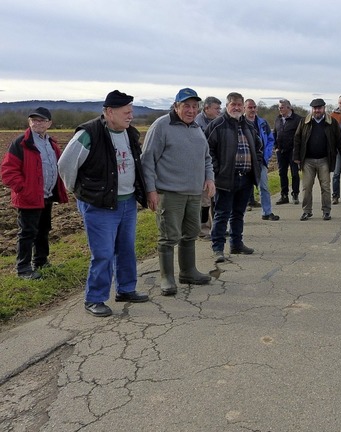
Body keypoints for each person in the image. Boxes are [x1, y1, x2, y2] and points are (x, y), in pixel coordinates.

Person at [58, 91, 148, 317]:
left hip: (127, 202)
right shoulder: (89, 134)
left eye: (131, 111)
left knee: (126, 249)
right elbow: (66, 165)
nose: (131, 115)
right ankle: (94, 298)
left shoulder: (130, 133)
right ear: (109, 112)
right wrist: (80, 193)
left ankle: (126, 289)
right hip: (99, 206)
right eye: (126, 111)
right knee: (104, 253)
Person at [141, 88, 215, 296]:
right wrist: (151, 190)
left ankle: (188, 271)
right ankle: (167, 277)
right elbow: (147, 161)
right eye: (186, 106)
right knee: (168, 235)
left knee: (190, 233)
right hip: (169, 192)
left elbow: (206, 158)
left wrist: (209, 178)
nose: (191, 110)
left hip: (194, 193)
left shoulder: (197, 128)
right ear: (176, 106)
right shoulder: (161, 126)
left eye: (194, 106)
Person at [1, 107, 68, 280]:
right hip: (29, 197)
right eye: (34, 120)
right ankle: (23, 268)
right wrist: (24, 189)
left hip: (46, 196)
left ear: (49, 123)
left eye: (41, 120)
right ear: (29, 122)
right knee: (27, 233)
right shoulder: (21, 143)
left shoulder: (51, 143)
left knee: (44, 230)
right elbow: (8, 171)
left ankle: (41, 261)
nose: (37, 123)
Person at [205, 92, 262, 263]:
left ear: (243, 106)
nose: (236, 108)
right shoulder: (217, 125)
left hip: (245, 178)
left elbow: (258, 147)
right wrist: (217, 170)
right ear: (227, 106)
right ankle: (218, 248)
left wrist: (256, 164)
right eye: (233, 104)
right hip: (225, 179)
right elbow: (208, 151)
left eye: (239, 104)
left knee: (238, 213)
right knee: (222, 214)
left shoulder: (249, 126)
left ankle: (237, 244)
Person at [293, 98, 341, 221]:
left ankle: (326, 211)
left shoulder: (332, 122)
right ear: (312, 109)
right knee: (306, 187)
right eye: (315, 108)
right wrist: (296, 157)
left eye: (319, 108)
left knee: (325, 187)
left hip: (324, 160)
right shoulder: (304, 122)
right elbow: (297, 139)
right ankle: (306, 211)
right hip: (307, 161)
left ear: (324, 108)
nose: (317, 110)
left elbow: (339, 140)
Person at [244, 99, 279, 221]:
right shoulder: (239, 123)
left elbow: (270, 139)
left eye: (254, 107)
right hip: (245, 162)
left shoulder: (263, 123)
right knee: (243, 189)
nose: (253, 109)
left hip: (260, 160)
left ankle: (267, 212)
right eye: (250, 107)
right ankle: (239, 217)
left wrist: (267, 154)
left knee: (264, 187)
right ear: (245, 108)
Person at [195, 96, 222, 237]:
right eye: (216, 108)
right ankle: (203, 230)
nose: (219, 111)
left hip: (216, 166)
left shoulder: (219, 122)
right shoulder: (197, 123)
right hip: (202, 167)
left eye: (220, 108)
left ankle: (217, 227)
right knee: (205, 202)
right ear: (206, 108)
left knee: (216, 200)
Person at [273, 98, 303, 205]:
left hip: (293, 151)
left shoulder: (298, 119)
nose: (279, 109)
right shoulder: (278, 119)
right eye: (279, 107)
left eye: (281, 107)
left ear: (288, 107)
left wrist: (298, 151)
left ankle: (295, 194)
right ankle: (284, 195)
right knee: (282, 173)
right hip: (281, 151)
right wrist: (276, 147)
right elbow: (275, 134)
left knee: (294, 173)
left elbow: (301, 136)